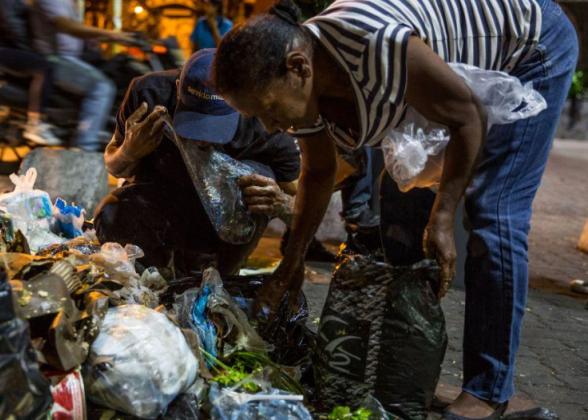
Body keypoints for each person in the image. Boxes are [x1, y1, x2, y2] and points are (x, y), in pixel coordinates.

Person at [213, 0, 578, 419]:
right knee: (400, 206)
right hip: (456, 88)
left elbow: (468, 118)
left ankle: (489, 389)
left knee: (492, 212)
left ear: (298, 68)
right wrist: (291, 263)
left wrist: (443, 217)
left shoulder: (372, 42)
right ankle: (412, 370)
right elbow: (318, 173)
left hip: (532, 47)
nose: (270, 127)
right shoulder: (304, 81)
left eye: (269, 110)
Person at [94, 49, 301, 275]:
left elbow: (301, 207)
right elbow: (114, 166)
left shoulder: (263, 119)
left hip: (225, 226)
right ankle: (153, 276)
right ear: (177, 89)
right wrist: (128, 152)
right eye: (194, 124)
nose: (202, 141)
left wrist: (282, 204)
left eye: (215, 129)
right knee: (113, 211)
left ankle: (224, 277)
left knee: (259, 181)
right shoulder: (149, 94)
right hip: (161, 204)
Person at [31, 0, 133, 151]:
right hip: (57, 60)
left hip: (74, 59)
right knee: (102, 87)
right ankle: (85, 146)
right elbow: (69, 27)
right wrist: (113, 35)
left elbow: (81, 32)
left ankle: (102, 127)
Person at [0, 0, 59, 145]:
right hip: (6, 49)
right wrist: (30, 49)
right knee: (43, 68)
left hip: (16, 47)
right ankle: (35, 124)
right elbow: (11, 24)